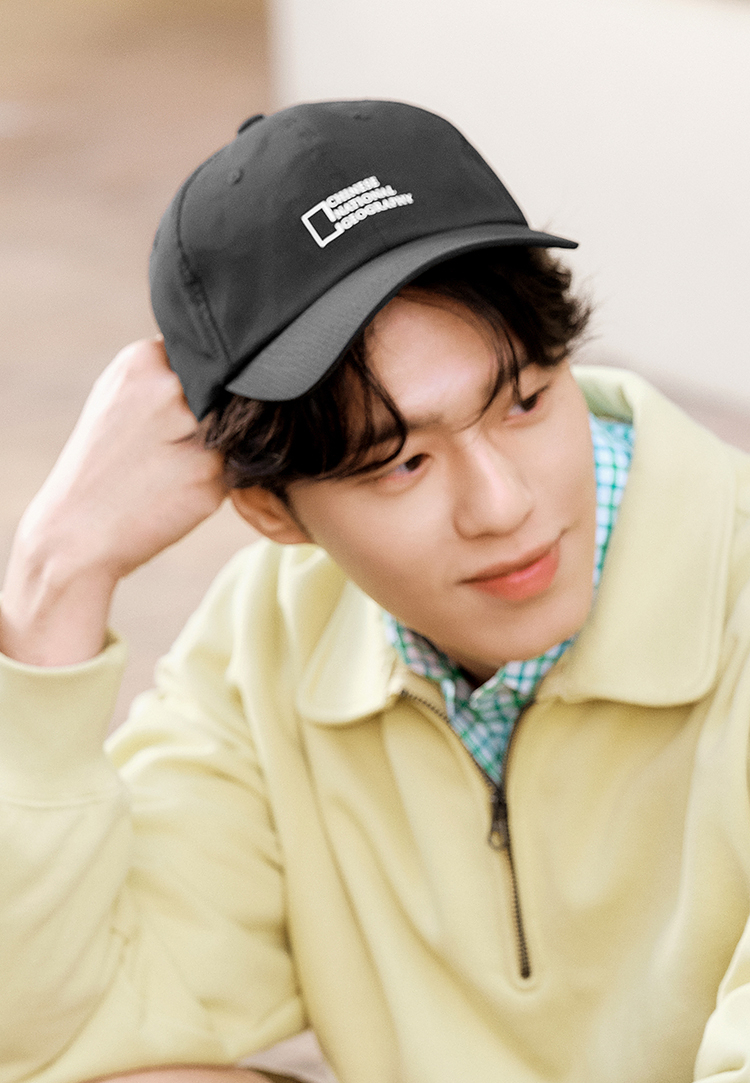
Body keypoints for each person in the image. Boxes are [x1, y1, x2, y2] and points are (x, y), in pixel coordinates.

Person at [2, 100, 750, 1083]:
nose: (503, 505)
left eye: (524, 402)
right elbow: (47, 1030)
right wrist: (55, 575)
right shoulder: (272, 639)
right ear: (271, 510)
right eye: (401, 462)